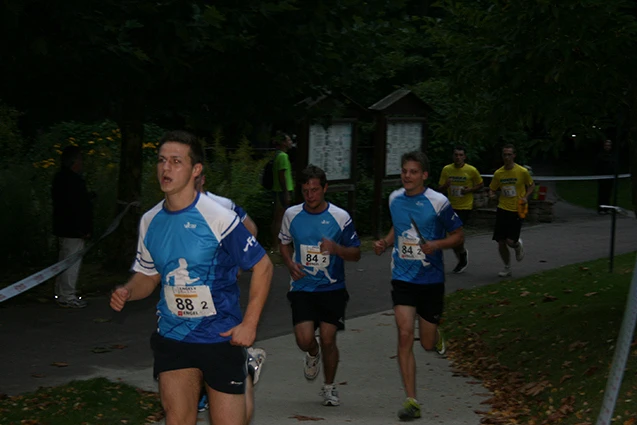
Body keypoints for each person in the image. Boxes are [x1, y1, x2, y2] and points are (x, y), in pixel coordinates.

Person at [110, 130, 273, 425]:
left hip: (219, 336)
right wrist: (128, 291)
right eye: (161, 160)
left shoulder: (218, 217)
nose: (166, 168)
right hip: (174, 335)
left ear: (196, 170)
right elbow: (148, 275)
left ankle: (245, 369)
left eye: (176, 161)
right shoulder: (150, 221)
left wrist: (249, 324)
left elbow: (263, 266)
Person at [373, 151, 464, 421]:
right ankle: (411, 401)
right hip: (402, 278)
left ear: (424, 175)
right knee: (404, 335)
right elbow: (398, 227)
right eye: (404, 171)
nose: (407, 176)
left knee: (426, 342)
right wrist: (385, 242)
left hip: (431, 280)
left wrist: (436, 244)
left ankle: (436, 337)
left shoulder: (439, 202)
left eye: (413, 172)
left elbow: (458, 236)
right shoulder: (395, 199)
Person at [279, 165, 361, 407]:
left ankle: (329, 386)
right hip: (302, 287)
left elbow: (356, 253)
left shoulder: (340, 217)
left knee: (328, 338)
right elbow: (283, 243)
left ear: (325, 188)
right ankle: (312, 353)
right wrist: (289, 263)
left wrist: (337, 249)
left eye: (315, 190)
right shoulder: (291, 215)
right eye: (305, 191)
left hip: (332, 288)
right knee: (304, 340)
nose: (310, 195)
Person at [195, 174, 265, 414]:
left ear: (202, 178)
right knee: (191, 339)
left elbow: (251, 229)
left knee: (214, 337)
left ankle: (239, 369)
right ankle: (205, 389)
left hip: (219, 291)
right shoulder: (170, 210)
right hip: (187, 291)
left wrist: (237, 263)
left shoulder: (222, 205)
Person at [52, 145, 94, 308]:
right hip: (74, 230)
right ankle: (68, 296)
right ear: (74, 162)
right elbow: (77, 207)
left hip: (63, 227)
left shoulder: (60, 178)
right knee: (72, 263)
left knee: (63, 261)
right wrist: (83, 229)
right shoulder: (74, 182)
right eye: (80, 160)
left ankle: (60, 293)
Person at [488, 144, 535, 278]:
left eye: (509, 154)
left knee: (510, 242)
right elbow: (492, 188)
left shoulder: (522, 171)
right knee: (500, 241)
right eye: (505, 155)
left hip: (517, 209)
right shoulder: (499, 173)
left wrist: (525, 197)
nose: (507, 157)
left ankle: (517, 245)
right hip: (503, 208)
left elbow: (531, 185)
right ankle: (507, 267)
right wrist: (491, 194)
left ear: (514, 155)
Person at [437, 145, 483, 273]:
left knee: (456, 234)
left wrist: (470, 190)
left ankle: (461, 258)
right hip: (450, 206)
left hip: (465, 206)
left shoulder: (471, 170)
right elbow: (439, 188)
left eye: (460, 155)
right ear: (453, 156)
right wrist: (445, 186)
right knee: (453, 236)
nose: (458, 157)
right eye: (456, 155)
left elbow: (480, 184)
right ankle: (462, 254)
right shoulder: (447, 169)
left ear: (465, 157)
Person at [270, 131, 295, 252]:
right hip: (282, 190)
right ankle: (276, 245)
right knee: (280, 219)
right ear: (284, 143)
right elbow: (282, 175)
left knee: (278, 218)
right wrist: (286, 193)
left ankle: (276, 244)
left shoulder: (277, 155)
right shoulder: (283, 156)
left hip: (277, 190)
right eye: (289, 140)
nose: (291, 142)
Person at [596, 139, 615, 214]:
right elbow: (597, 166)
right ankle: (601, 209)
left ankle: (607, 208)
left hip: (610, 178)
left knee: (608, 193)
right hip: (602, 177)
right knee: (602, 193)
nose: (608, 147)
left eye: (609, 145)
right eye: (606, 145)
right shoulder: (600, 155)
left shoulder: (612, 155)